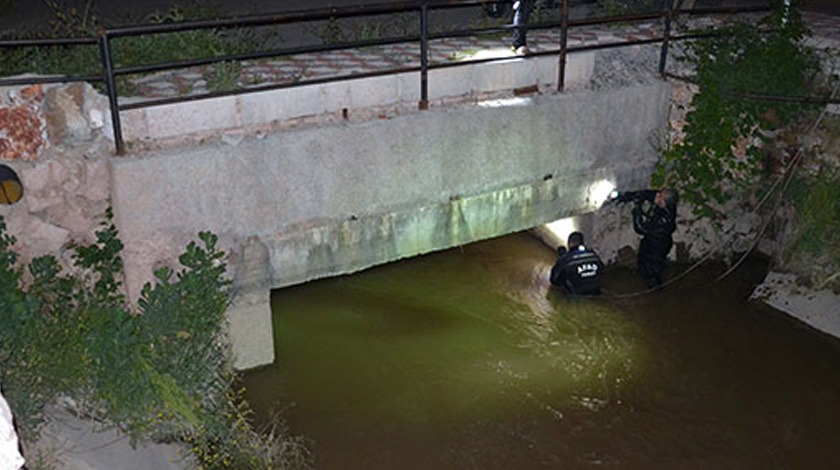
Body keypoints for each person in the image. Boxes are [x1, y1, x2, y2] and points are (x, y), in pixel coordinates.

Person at [624, 188, 678, 288]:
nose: (656, 196)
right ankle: (650, 282)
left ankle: (655, 292)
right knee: (644, 264)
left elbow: (640, 228)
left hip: (657, 246)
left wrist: (637, 210)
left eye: (659, 196)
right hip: (653, 241)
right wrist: (632, 195)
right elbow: (650, 194)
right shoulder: (667, 202)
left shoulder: (665, 219)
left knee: (651, 270)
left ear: (663, 202)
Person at [550, 231, 604, 295]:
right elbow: (601, 269)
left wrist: (562, 259)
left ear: (569, 244)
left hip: (576, 294)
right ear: (582, 243)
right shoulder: (593, 254)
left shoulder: (566, 259)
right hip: (596, 292)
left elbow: (554, 280)